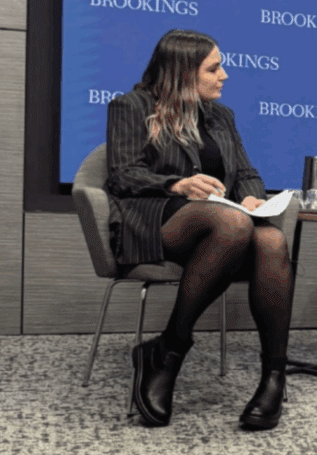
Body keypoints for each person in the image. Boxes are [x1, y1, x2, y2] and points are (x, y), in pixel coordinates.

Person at [105, 29, 293, 429]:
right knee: (231, 221)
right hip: (158, 220)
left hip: (226, 229)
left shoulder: (221, 116)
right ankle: (172, 346)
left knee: (272, 239)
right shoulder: (131, 106)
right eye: (214, 68)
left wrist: (252, 197)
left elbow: (245, 172)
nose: (224, 75)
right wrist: (177, 184)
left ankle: (273, 376)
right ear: (182, 73)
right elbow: (122, 175)